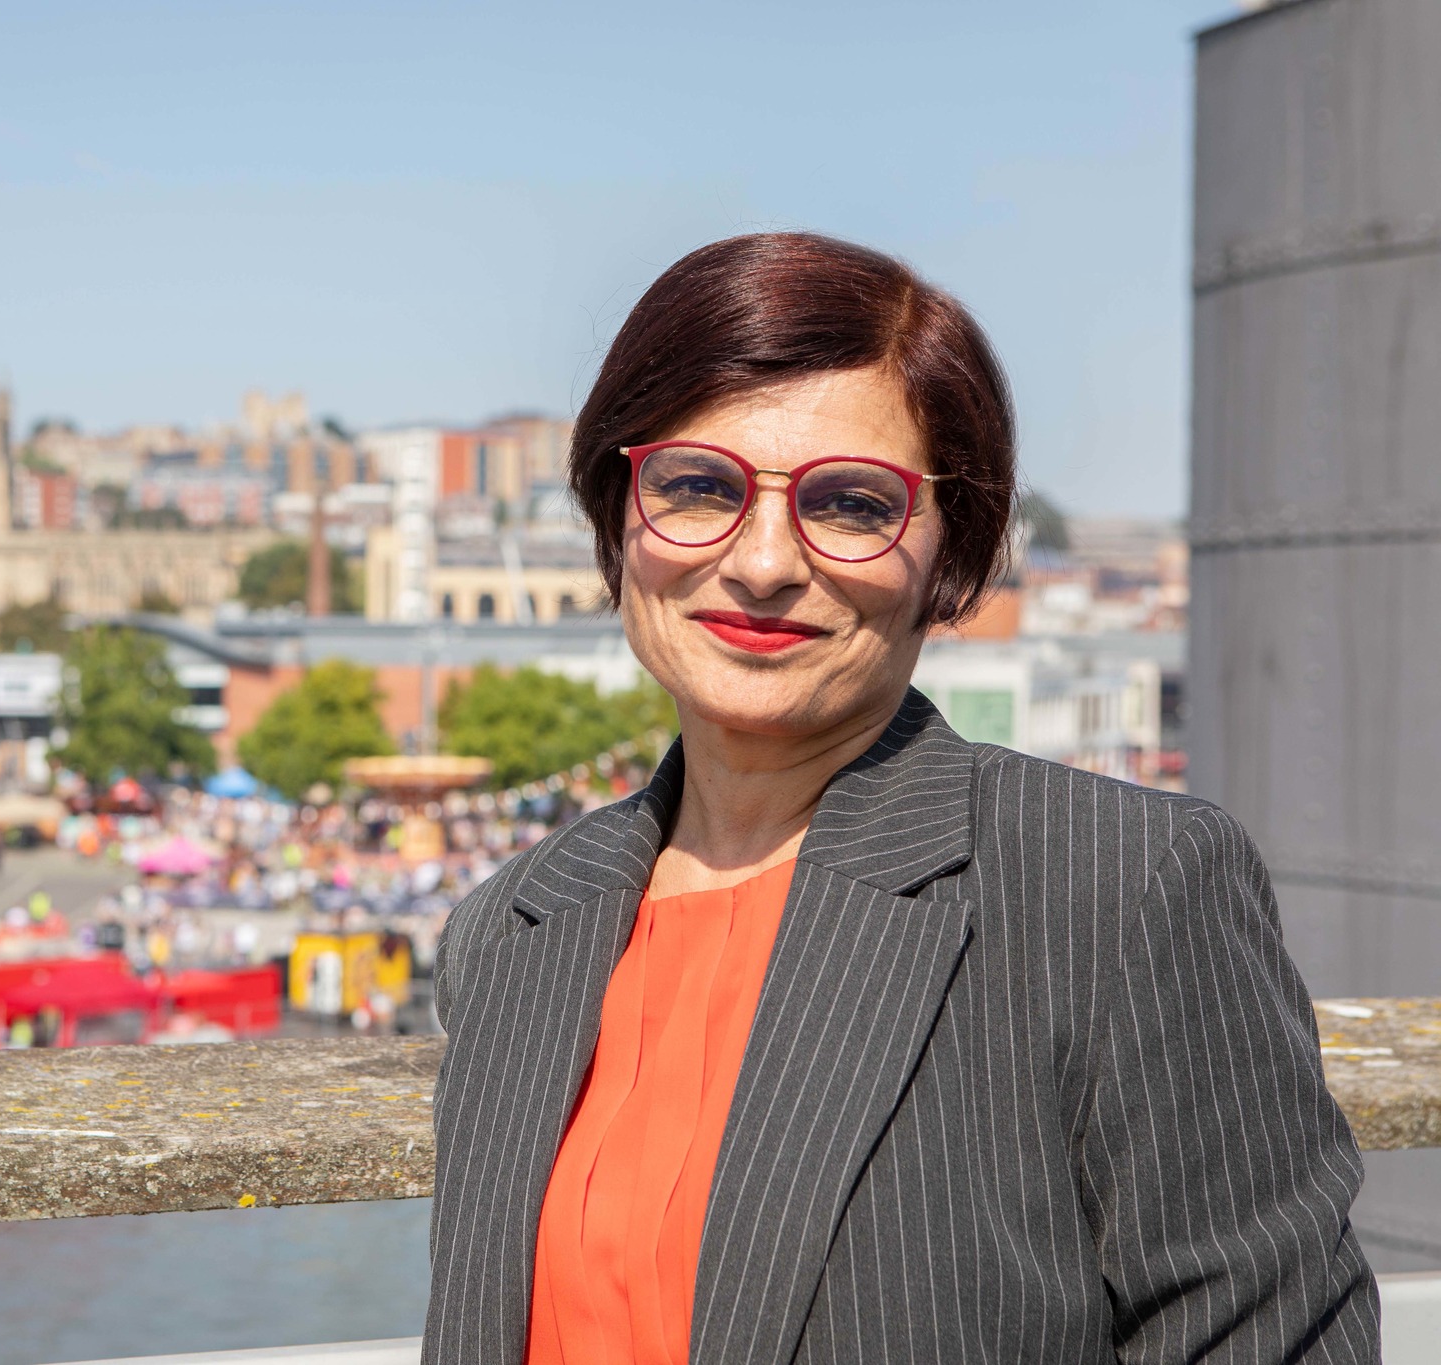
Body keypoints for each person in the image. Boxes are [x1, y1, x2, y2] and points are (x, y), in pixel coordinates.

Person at [424, 233, 1377, 1364]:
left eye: (850, 504)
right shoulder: (512, 928)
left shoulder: (1115, 890)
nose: (764, 561)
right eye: (694, 485)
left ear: (948, 556)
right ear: (615, 519)